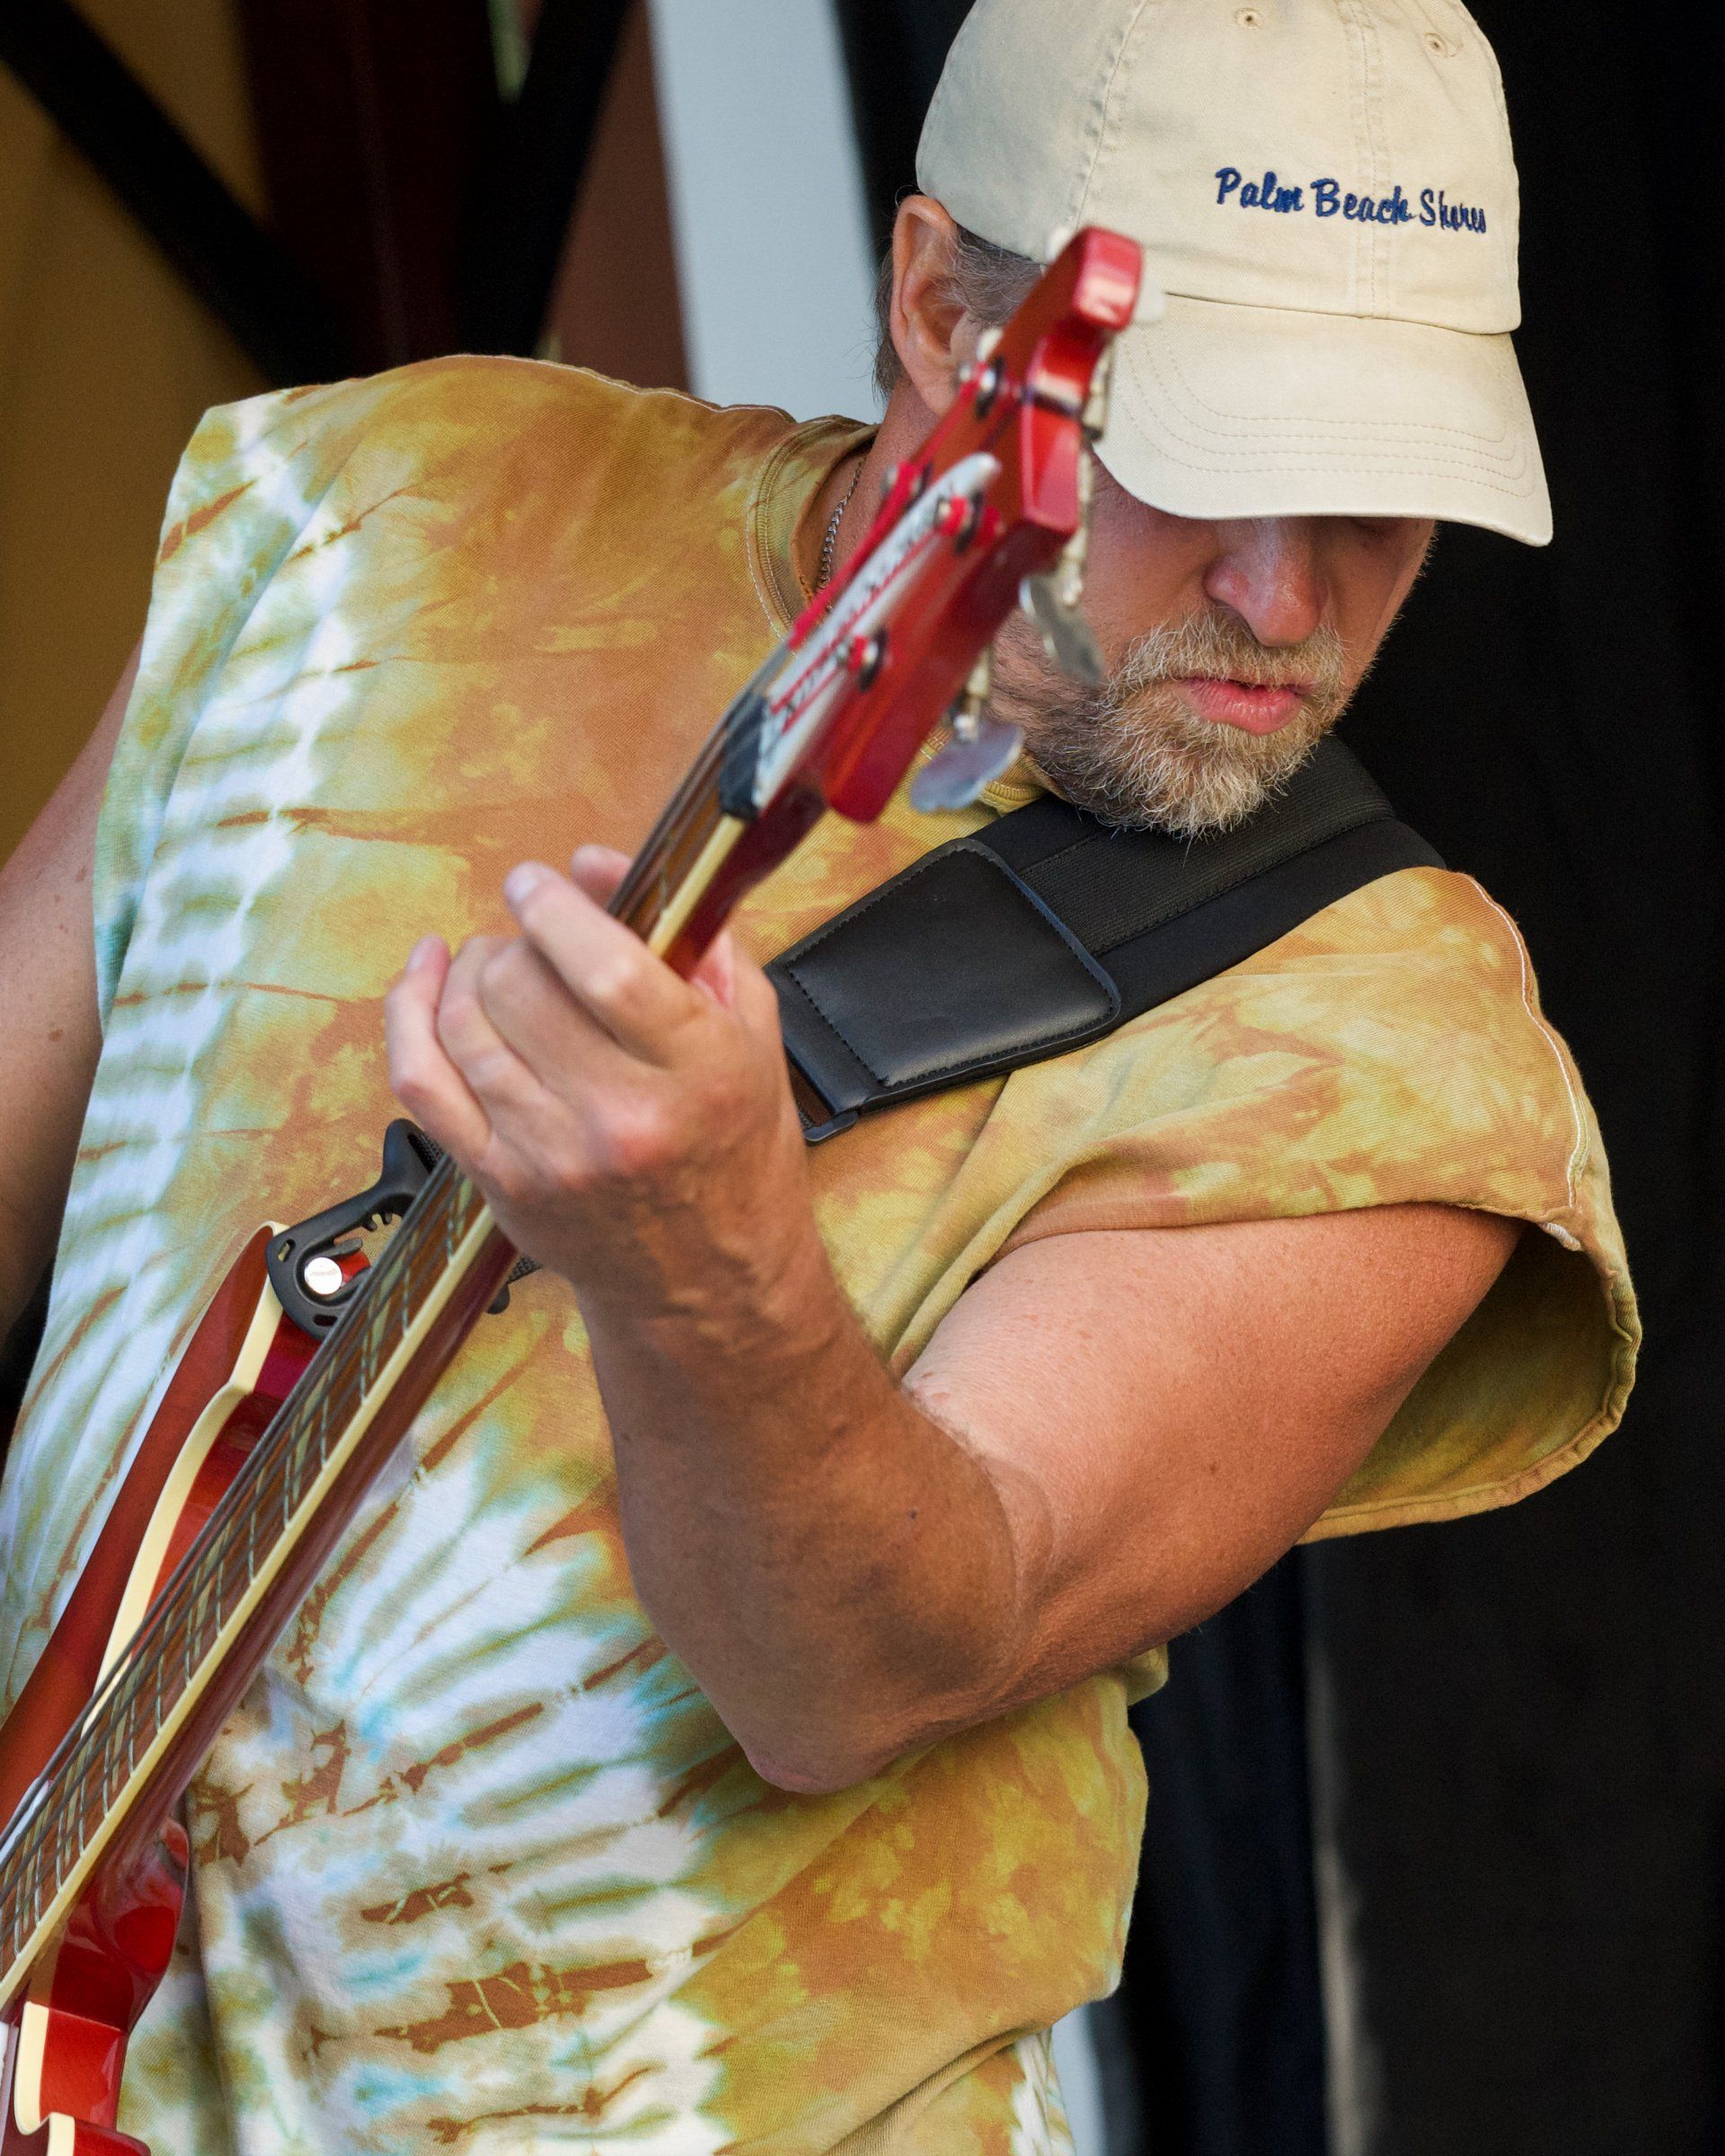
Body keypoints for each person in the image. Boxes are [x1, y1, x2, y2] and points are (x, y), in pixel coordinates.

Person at [0, 0, 1636, 2149]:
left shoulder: (1392, 1033)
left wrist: (703, 1265)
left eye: (1383, 495)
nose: (1288, 597)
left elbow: (870, 1666)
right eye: (1215, 461)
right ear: (944, 314)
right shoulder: (376, 512)